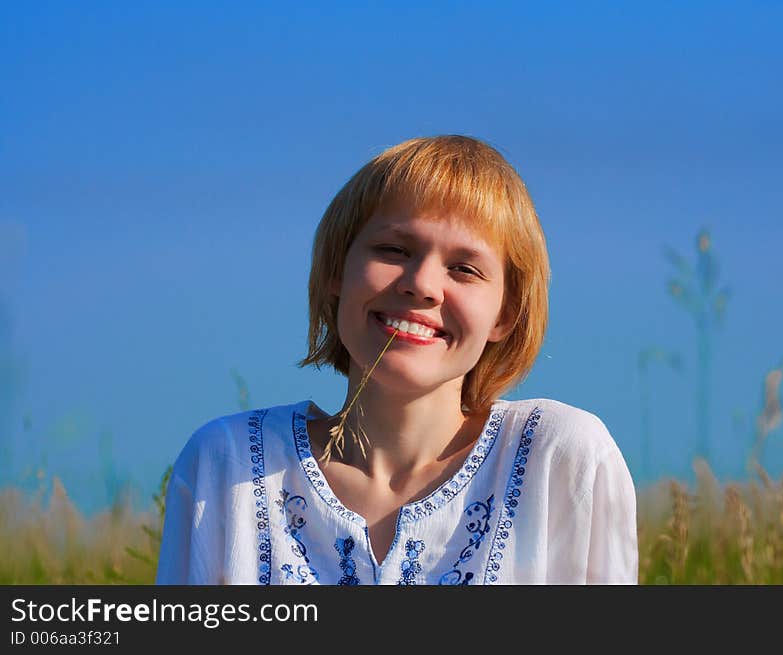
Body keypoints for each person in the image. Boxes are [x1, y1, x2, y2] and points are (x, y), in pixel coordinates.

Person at [155, 135, 638, 585]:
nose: (422, 284)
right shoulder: (225, 463)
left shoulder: (559, 457)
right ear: (336, 272)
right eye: (393, 249)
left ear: (505, 316)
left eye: (465, 269)